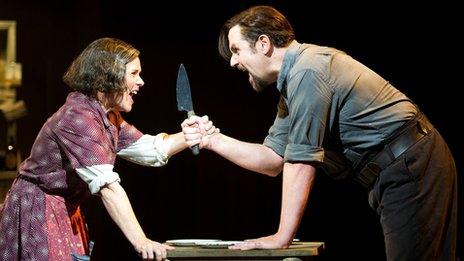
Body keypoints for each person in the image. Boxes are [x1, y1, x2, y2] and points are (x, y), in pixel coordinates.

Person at [183, 5, 457, 261]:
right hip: (403, 168)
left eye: (236, 49)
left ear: (263, 44)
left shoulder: (308, 71)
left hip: (411, 165)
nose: (233, 62)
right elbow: (273, 160)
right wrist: (212, 140)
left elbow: (301, 162)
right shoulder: (294, 85)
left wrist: (282, 237)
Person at [0, 37, 216, 261]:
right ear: (107, 75)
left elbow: (149, 149)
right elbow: (108, 187)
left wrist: (188, 136)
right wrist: (141, 241)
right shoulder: (78, 117)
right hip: (37, 209)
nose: (141, 82)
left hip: (63, 210)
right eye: (133, 74)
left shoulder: (106, 116)